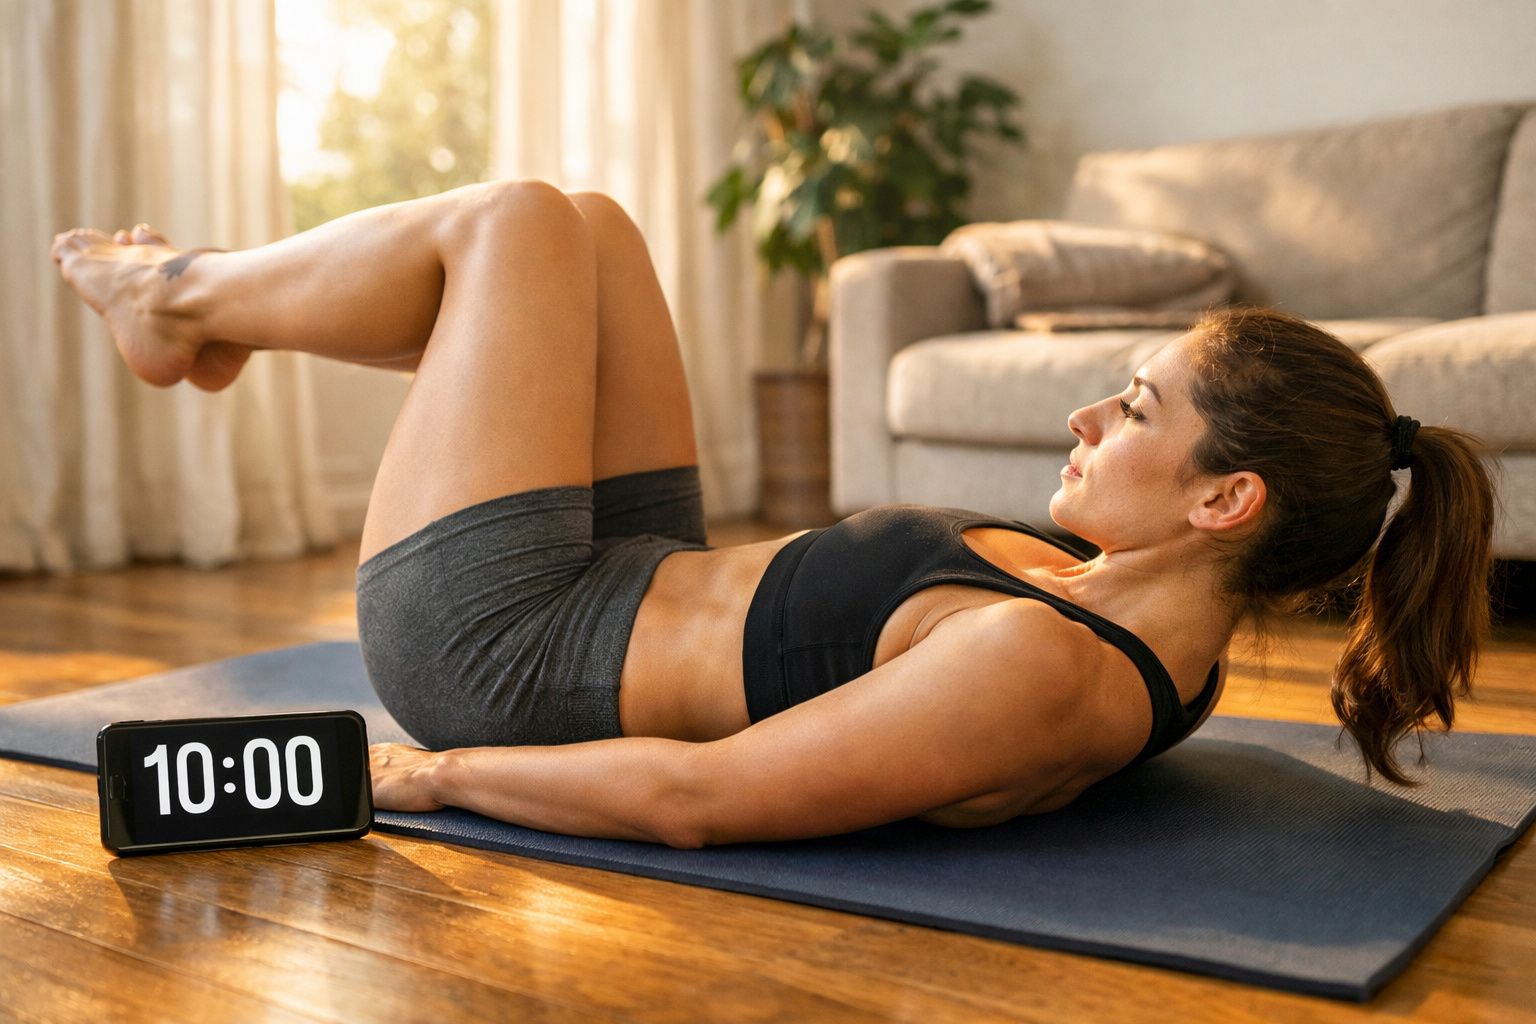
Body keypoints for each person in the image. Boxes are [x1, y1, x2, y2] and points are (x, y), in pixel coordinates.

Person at [51, 180, 1497, 849]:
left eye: (1131, 407)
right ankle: (234, 312)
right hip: (634, 569)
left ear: (1226, 497)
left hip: (502, 652)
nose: (1083, 420)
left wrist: (424, 776)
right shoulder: (1118, 595)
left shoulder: (1048, 669)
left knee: (510, 230)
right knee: (592, 227)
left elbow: (701, 800)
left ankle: (173, 297)